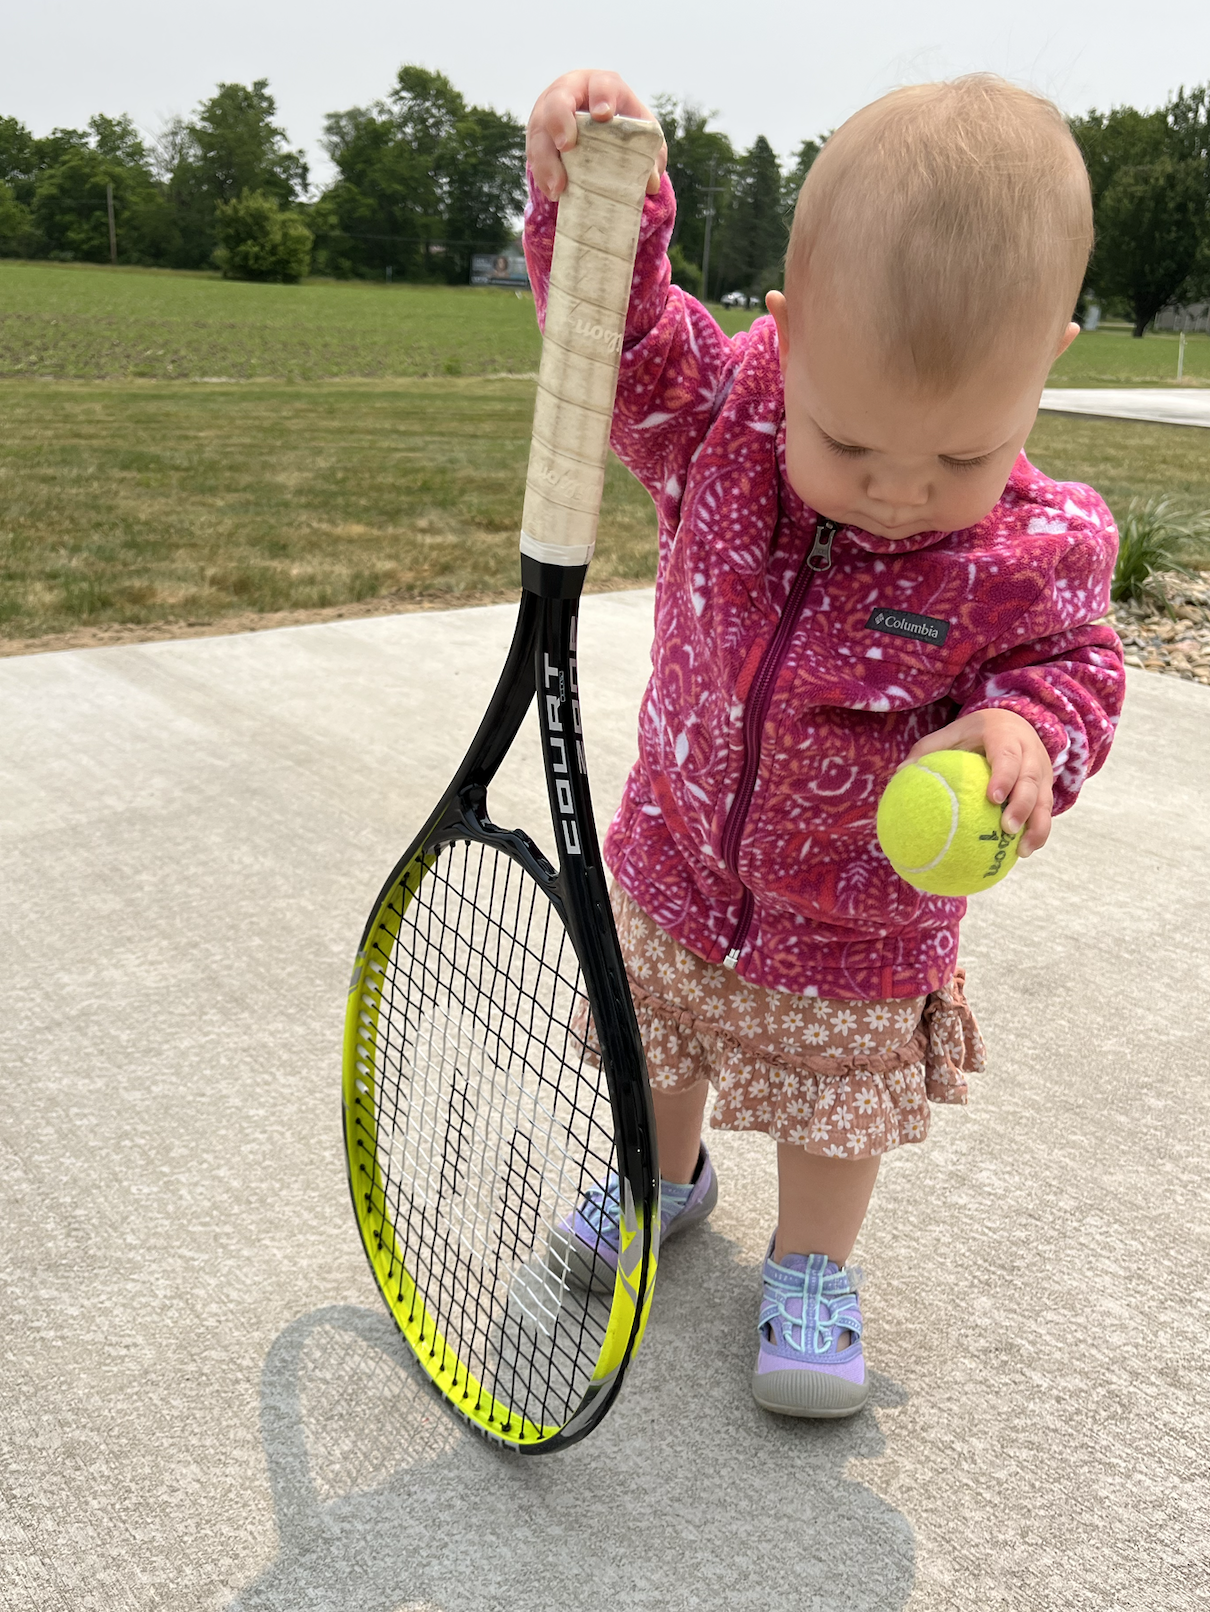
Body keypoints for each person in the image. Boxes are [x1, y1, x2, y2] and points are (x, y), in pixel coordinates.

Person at [528, 71, 1125, 1418]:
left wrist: (1027, 732)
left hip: (858, 918)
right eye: (848, 441)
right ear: (785, 343)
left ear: (1051, 365)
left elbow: (1072, 668)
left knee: (832, 1107)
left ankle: (810, 1272)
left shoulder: (1036, 547)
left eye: (963, 457)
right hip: (684, 853)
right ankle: (660, 1184)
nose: (901, 491)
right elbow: (613, 344)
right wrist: (595, 202)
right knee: (662, 1044)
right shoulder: (728, 421)